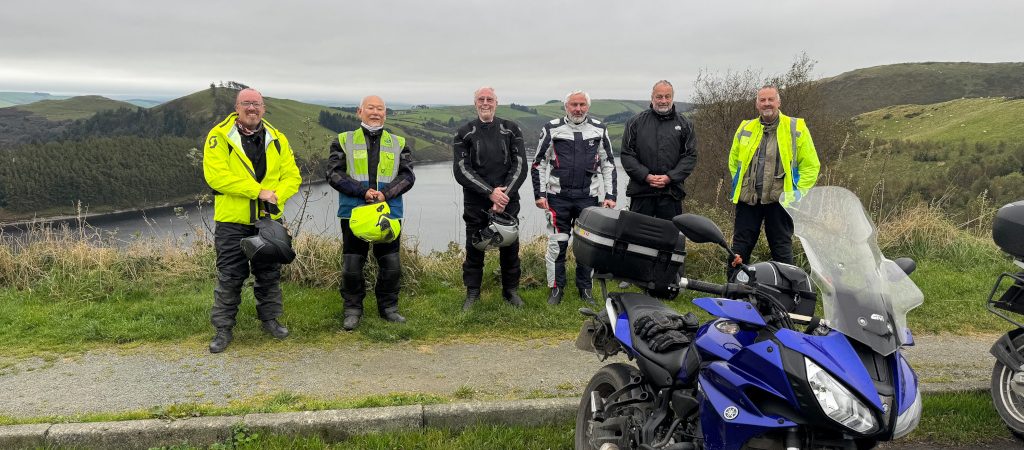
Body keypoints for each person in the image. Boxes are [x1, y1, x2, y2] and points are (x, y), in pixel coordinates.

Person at [202, 88, 302, 353]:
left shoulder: (277, 138)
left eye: (256, 104)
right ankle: (223, 329)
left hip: (268, 219)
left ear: (263, 108)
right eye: (246, 103)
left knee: (269, 274)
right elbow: (216, 177)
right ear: (237, 107)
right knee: (230, 275)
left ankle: (270, 320)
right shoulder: (219, 137)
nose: (251, 109)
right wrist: (257, 191)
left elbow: (292, 175)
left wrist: (278, 195)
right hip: (232, 220)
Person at [326, 95, 416, 331]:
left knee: (391, 264)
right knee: (353, 264)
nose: (375, 113)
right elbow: (334, 174)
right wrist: (363, 192)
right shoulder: (343, 140)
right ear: (359, 112)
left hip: (388, 211)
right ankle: (353, 309)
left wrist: (385, 194)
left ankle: (388, 308)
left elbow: (408, 176)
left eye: (380, 109)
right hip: (354, 211)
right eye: (370, 108)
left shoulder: (399, 142)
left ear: (385, 113)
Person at [531, 90, 617, 305]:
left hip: (588, 198)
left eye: (582, 105)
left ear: (587, 106)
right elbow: (538, 163)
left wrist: (610, 195)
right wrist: (539, 194)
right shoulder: (552, 128)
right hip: (557, 198)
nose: (578, 109)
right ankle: (556, 289)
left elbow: (608, 163)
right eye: (573, 105)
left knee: (587, 246)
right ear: (566, 107)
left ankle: (585, 290)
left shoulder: (599, 129)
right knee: (557, 244)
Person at [727, 85, 820, 276]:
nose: (767, 104)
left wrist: (797, 192)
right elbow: (734, 162)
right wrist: (742, 185)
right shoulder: (745, 127)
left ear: (778, 102)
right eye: (763, 100)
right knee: (739, 249)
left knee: (781, 249)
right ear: (757, 104)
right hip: (749, 200)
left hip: (780, 201)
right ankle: (733, 290)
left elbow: (811, 165)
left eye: (771, 100)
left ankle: (789, 294)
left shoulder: (796, 127)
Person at [453, 87, 529, 310]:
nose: (485, 103)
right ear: (475, 103)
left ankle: (511, 291)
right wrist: (489, 192)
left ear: (497, 102)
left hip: (507, 198)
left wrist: (503, 195)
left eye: (489, 99)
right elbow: (461, 170)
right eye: (481, 99)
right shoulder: (464, 132)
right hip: (476, 200)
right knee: (474, 246)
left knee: (510, 246)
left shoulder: (511, 129)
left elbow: (520, 165)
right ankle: (473, 293)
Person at [620, 80, 697, 220]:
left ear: (673, 98)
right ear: (652, 97)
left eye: (667, 96)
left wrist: (670, 177)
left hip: (671, 193)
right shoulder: (635, 122)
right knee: (637, 237)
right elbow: (627, 154)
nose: (663, 100)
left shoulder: (685, 124)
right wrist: (646, 176)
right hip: (642, 192)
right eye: (659, 96)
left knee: (669, 238)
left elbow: (690, 156)